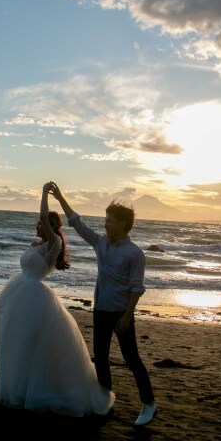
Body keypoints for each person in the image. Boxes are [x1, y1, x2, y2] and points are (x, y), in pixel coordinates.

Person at [0, 183, 115, 417]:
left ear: (51, 226)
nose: (37, 224)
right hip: (20, 293)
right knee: (20, 343)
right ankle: (19, 389)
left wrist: (43, 193)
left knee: (35, 343)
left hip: (34, 297)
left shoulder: (54, 243)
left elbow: (42, 214)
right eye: (38, 223)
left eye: (42, 223)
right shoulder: (36, 244)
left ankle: (39, 391)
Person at [50, 182, 157, 426]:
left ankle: (149, 404)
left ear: (121, 224)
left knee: (132, 359)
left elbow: (137, 288)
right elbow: (77, 223)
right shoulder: (101, 243)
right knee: (101, 357)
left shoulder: (135, 253)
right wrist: (61, 198)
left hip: (121, 313)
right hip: (101, 310)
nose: (105, 223)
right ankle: (104, 401)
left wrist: (128, 316)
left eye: (109, 219)